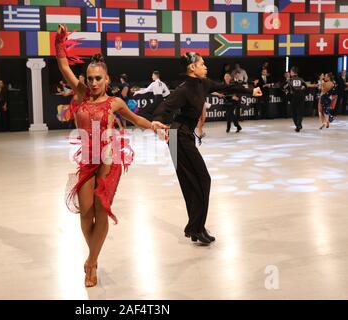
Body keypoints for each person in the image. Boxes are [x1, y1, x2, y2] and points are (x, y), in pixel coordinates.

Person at [55, 24, 167, 288]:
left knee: (100, 207)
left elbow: (136, 118)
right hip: (87, 159)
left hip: (108, 158)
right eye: (90, 78)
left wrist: (153, 125)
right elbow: (63, 66)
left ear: (107, 80)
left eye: (98, 78)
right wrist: (60, 41)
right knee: (85, 213)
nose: (93, 83)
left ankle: (91, 263)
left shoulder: (114, 102)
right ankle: (93, 258)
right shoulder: (81, 94)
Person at [151, 52, 262, 245]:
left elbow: (227, 87)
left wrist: (251, 91)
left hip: (184, 137)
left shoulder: (204, 83)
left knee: (192, 183)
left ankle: (197, 228)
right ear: (192, 67)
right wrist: (157, 121)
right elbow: (165, 106)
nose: (206, 66)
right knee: (201, 179)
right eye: (202, 64)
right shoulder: (184, 89)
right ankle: (195, 227)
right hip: (178, 138)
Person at [283, 66, 307, 132]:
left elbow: (284, 87)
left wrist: (287, 92)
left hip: (294, 96)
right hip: (301, 96)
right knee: (300, 111)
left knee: (294, 112)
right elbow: (305, 86)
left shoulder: (290, 80)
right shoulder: (301, 79)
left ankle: (297, 125)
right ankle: (299, 124)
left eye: (290, 72)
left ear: (293, 72)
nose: (290, 73)